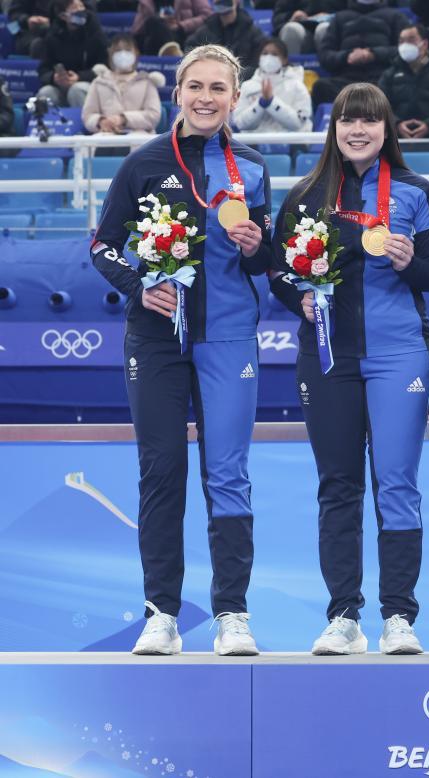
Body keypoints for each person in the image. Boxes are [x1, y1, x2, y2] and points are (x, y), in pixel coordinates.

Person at [90, 44, 273, 657]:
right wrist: (141, 285)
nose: (205, 97)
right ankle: (161, 613)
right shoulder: (142, 164)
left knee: (228, 476)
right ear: (177, 92)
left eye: (217, 88)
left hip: (227, 338)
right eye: (195, 86)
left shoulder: (251, 167)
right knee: (162, 473)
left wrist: (256, 246)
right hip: (156, 341)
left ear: (235, 98)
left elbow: (267, 259)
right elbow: (103, 245)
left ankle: (232, 614)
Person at [269, 83, 429, 656]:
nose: (357, 131)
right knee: (337, 487)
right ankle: (344, 615)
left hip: (400, 355)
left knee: (396, 483)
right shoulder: (306, 195)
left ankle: (398, 617)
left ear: (387, 129)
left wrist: (412, 260)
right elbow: (279, 273)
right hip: (328, 357)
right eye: (347, 121)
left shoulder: (416, 192)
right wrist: (300, 301)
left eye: (369, 121)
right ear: (333, 128)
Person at [311, 0, 407, 106]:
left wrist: (375, 54)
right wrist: (347, 56)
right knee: (321, 86)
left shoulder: (396, 16)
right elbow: (325, 55)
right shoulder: (339, 18)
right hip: (346, 80)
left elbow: (403, 51)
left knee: (399, 87)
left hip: (381, 79)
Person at [377, 23, 429, 139]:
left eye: (411, 40)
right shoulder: (389, 74)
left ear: (425, 44)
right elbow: (379, 107)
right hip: (396, 138)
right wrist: (397, 124)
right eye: (401, 41)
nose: (405, 45)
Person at [82, 35, 163, 136]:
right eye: (118, 50)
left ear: (136, 53)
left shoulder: (147, 82)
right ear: (111, 53)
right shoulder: (99, 82)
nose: (123, 54)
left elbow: (153, 116)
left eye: (128, 50)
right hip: (106, 136)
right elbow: (88, 116)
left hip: (139, 137)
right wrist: (101, 121)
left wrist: (124, 119)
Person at [234, 37, 313, 137]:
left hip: (289, 146)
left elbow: (298, 123)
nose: (269, 57)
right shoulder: (247, 86)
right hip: (254, 146)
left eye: (275, 54)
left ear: (284, 60)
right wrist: (261, 104)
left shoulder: (297, 86)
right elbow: (240, 123)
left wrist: (271, 102)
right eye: (265, 53)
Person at [36, 0, 108, 108]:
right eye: (75, 8)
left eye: (81, 6)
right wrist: (54, 78)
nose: (81, 10)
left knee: (77, 89)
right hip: (62, 87)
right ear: (63, 16)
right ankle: (52, 124)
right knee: (46, 92)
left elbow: (105, 66)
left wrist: (80, 77)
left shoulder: (95, 33)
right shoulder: (52, 37)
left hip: (90, 84)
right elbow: (43, 70)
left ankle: (86, 123)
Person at [185, 0, 267, 78]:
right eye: (222, 13)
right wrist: (204, 69)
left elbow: (258, 59)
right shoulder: (207, 28)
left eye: (228, 12)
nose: (225, 16)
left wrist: (239, 75)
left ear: (236, 3)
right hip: (212, 77)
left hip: (242, 79)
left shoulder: (250, 30)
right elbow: (190, 47)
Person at [131, 0, 213, 57]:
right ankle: (173, 53)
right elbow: (136, 29)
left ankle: (170, 52)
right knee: (152, 21)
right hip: (155, 38)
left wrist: (180, 25)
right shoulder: (146, 2)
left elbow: (207, 15)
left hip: (182, 35)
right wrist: (159, 22)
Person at [272, 0, 344, 55]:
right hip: (300, 27)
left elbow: (351, 12)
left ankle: (330, 71)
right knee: (291, 28)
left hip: (332, 25)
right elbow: (277, 17)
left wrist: (333, 17)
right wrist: (291, 16)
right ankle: (291, 71)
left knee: (325, 28)